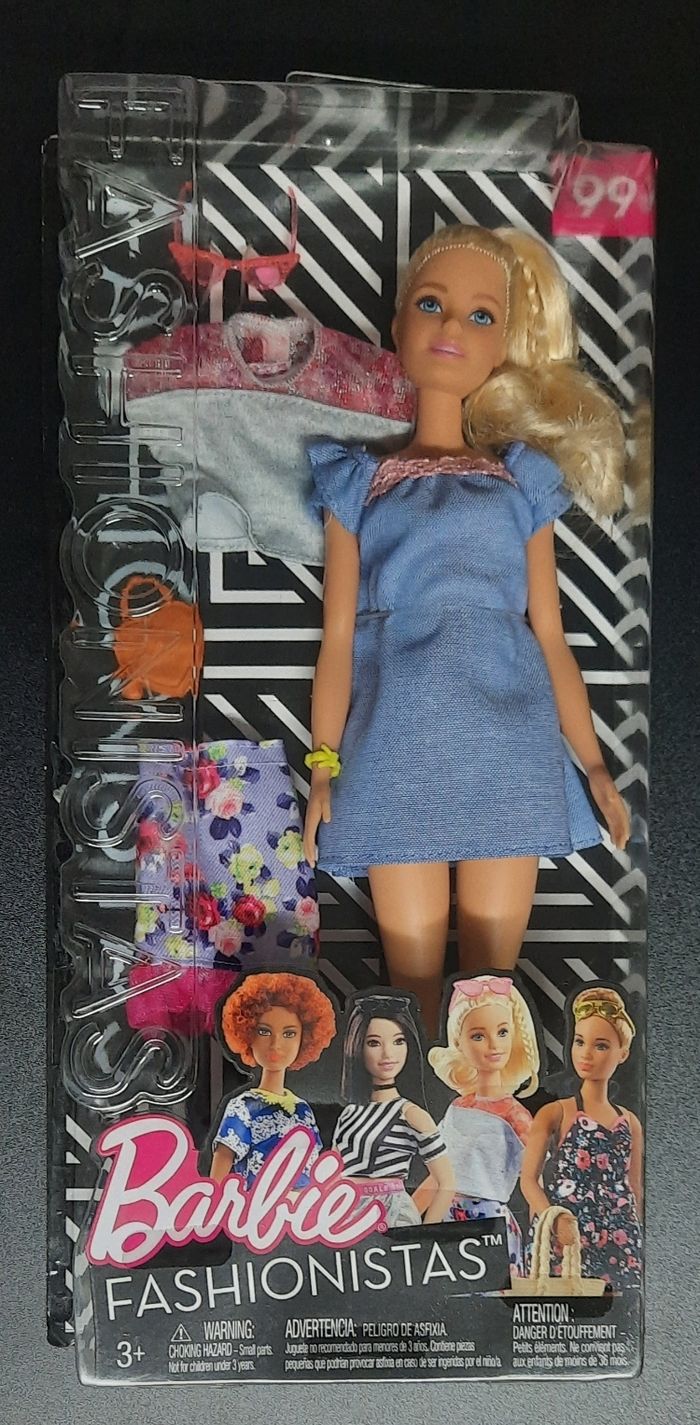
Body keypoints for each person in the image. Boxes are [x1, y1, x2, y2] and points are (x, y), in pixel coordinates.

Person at [303, 224, 630, 1031]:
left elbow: (549, 633)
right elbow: (336, 638)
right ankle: (408, 1110)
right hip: (396, 746)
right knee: (410, 985)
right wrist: (322, 767)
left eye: (481, 316)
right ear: (397, 325)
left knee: (491, 998)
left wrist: (593, 764)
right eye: (431, 304)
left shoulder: (522, 483)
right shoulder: (359, 482)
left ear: (503, 347)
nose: (452, 326)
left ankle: (492, 1111)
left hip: (508, 745)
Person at [519, 986, 643, 1288]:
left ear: (622, 1053)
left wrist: (638, 1233)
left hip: (620, 1237)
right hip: (568, 1232)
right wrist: (553, 1219)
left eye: (601, 1046)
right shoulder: (555, 1113)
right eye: (579, 1042)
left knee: (618, 1307)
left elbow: (635, 1188)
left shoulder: (630, 1122)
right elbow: (528, 1181)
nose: (586, 1054)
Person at [428, 974, 540, 1275]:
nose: (494, 1045)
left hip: (490, 1226)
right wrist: (409, 1221)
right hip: (446, 1219)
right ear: (459, 1044)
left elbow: (535, 1183)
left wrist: (540, 1243)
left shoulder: (516, 1116)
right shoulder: (457, 1108)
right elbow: (437, 1175)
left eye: (503, 1032)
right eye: (478, 1036)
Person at [332, 993, 454, 1227]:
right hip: (344, 1213)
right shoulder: (349, 1114)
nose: (388, 1054)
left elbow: (446, 1182)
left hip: (391, 1214)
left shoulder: (411, 1114)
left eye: (399, 1041)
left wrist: (428, 1233)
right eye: (374, 1043)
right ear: (357, 1047)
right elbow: (332, 1175)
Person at [209, 971, 335, 1187]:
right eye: (264, 1032)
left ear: (305, 1039)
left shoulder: (303, 1110)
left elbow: (313, 1169)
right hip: (255, 1204)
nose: (276, 1045)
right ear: (247, 1033)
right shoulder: (244, 1107)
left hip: (302, 1205)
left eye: (289, 1034)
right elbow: (219, 1173)